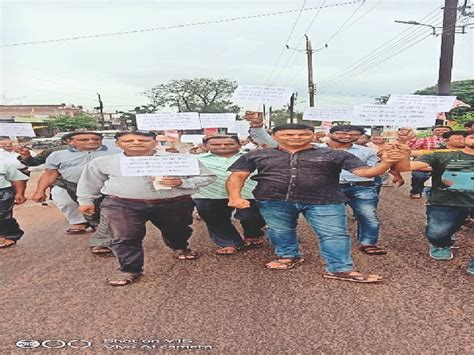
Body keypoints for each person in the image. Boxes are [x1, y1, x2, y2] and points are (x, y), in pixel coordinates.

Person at [227, 124, 405, 283]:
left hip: (324, 201)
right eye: (288, 135)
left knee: (334, 234)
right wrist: (234, 196)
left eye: (303, 134)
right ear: (274, 136)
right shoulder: (257, 155)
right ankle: (288, 256)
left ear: (313, 135)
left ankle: (340, 269)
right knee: (280, 230)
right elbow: (237, 176)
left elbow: (367, 172)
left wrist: (387, 162)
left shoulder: (336, 155)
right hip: (274, 200)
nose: (296, 138)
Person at [76, 131, 216, 286]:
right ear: (117, 143)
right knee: (124, 237)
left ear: (155, 142)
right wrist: (86, 201)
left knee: (178, 230)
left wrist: (182, 183)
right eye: (129, 140)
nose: (136, 143)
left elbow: (208, 177)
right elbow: (90, 182)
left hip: (173, 202)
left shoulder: (179, 160)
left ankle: (180, 246)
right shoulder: (103, 162)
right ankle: (129, 269)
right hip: (122, 204)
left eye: (142, 140)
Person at [394, 131, 473, 273]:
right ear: (464, 139)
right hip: (446, 201)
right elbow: (405, 167)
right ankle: (442, 244)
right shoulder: (441, 155)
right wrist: (405, 152)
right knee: (437, 233)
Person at [30, 131, 120, 253]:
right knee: (64, 200)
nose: (91, 141)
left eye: (95, 139)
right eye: (84, 140)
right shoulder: (57, 155)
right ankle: (80, 222)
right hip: (70, 186)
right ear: (70, 142)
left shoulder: (115, 152)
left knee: (108, 213)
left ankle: (103, 239)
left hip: (106, 187)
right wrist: (40, 191)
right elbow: (50, 173)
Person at [193, 135, 266, 255]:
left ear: (239, 144)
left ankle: (253, 234)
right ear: (205, 146)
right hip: (209, 195)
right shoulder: (195, 160)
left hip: (248, 193)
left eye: (229, 144)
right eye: (216, 144)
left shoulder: (253, 157)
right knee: (216, 220)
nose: (223, 147)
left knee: (252, 217)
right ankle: (228, 243)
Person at [408, 125, 452, 199]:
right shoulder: (424, 139)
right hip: (425, 163)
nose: (441, 132)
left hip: (446, 164)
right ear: (432, 131)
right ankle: (416, 191)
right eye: (438, 130)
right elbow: (412, 149)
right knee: (419, 176)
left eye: (444, 130)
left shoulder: (457, 141)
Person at [0, 161, 28, 248]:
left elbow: (17, 179)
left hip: (3, 192)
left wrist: (20, 193)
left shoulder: (3, 164)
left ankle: (6, 236)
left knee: (2, 215)